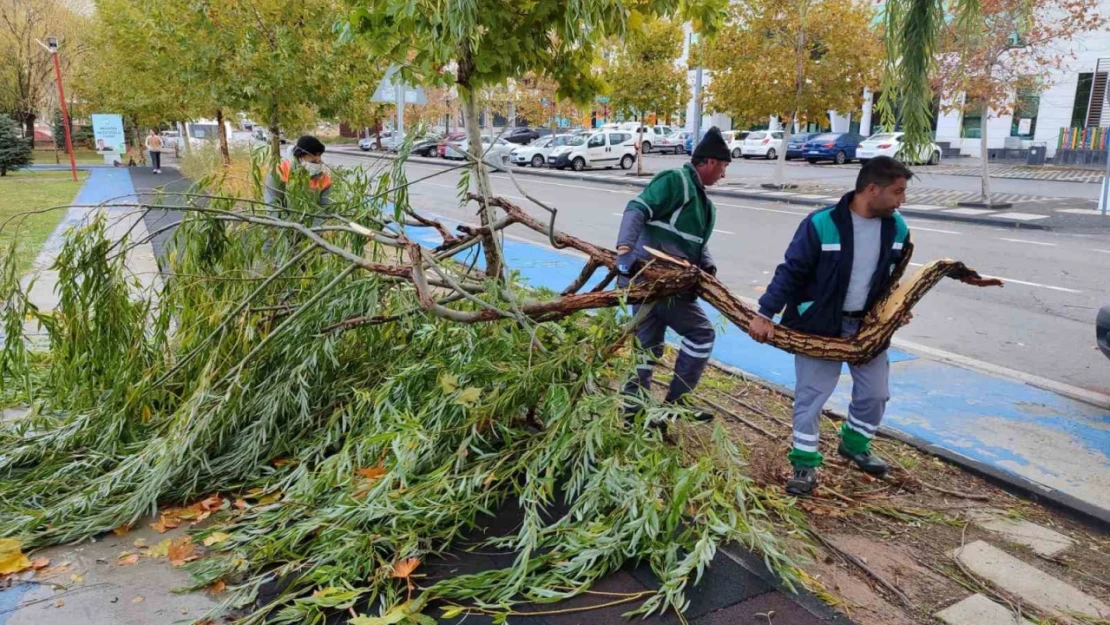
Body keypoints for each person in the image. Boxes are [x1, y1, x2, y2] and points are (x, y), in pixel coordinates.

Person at [749, 156, 914, 496]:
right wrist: (765, 313)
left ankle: (854, 443)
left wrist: (898, 309)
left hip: (868, 327)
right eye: (897, 192)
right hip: (819, 324)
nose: (902, 200)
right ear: (872, 189)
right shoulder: (821, 224)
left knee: (876, 392)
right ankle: (804, 465)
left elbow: (894, 277)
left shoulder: (896, 228)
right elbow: (791, 271)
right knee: (812, 397)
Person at [616, 126, 731, 424]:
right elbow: (636, 209)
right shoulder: (676, 181)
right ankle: (673, 406)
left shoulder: (704, 204)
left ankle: (633, 414)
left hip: (666, 285)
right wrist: (624, 253)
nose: (723, 175)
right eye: (722, 167)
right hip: (655, 281)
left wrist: (709, 267)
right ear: (708, 162)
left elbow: (694, 244)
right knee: (702, 334)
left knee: (647, 348)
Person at [263, 135, 332, 210]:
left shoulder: (324, 179)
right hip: (284, 219)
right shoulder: (281, 171)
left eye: (319, 155)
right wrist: (286, 221)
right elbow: (272, 204)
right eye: (314, 155)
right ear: (300, 156)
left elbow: (323, 209)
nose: (318, 159)